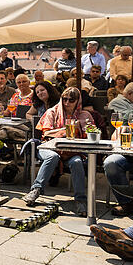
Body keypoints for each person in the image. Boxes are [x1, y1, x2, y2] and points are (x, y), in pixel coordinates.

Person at [23, 87, 92, 215]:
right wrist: (66, 129)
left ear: (78, 101)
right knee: (52, 157)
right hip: (49, 147)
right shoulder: (52, 112)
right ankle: (36, 190)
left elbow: (92, 135)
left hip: (72, 151)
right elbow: (46, 132)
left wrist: (82, 129)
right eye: (64, 99)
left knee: (77, 162)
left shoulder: (85, 115)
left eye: (71, 100)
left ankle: (80, 200)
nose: (67, 103)